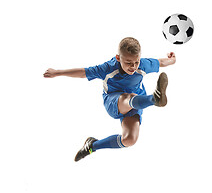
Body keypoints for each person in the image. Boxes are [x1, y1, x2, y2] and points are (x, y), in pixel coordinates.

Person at [43, 37, 176, 162]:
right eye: (128, 63)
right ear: (118, 58)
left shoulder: (143, 65)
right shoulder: (108, 68)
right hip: (114, 101)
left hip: (136, 102)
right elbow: (83, 72)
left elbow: (162, 62)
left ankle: (92, 146)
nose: (133, 67)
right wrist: (57, 72)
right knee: (130, 97)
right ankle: (154, 99)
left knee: (129, 140)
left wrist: (172, 59)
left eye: (136, 62)